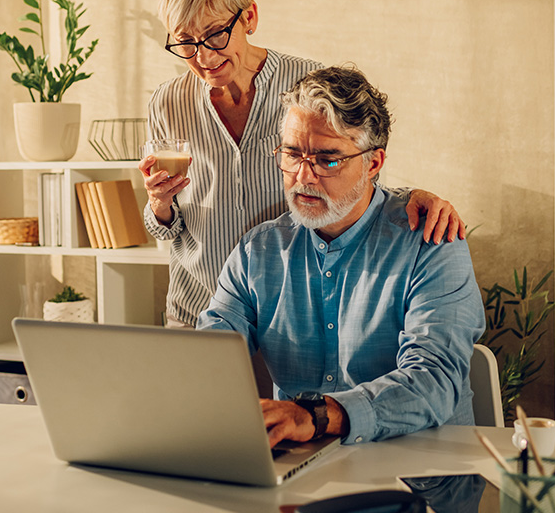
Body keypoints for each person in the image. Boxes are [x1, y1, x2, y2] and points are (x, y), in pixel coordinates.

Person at [139, 0, 465, 330]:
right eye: (186, 42)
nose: (203, 56)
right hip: (198, 310)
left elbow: (354, 182)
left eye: (214, 35)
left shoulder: (307, 86)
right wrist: (159, 203)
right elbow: (167, 226)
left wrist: (413, 198)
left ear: (249, 17)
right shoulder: (167, 102)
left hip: (291, 319)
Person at [197, 65, 485, 446]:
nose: (303, 176)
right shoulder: (258, 251)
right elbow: (209, 357)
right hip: (302, 470)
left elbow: (433, 380)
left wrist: (317, 416)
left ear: (374, 163)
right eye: (292, 154)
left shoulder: (430, 242)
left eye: (327, 159)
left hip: (422, 473)